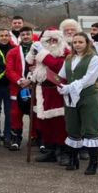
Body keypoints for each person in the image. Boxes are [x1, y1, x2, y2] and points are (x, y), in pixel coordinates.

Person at [58, 32, 98, 175]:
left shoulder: (94, 58)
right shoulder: (69, 58)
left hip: (88, 97)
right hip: (71, 98)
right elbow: (62, 76)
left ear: (87, 43)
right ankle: (73, 160)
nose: (77, 45)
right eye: (74, 42)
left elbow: (88, 79)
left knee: (90, 129)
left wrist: (69, 87)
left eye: (80, 42)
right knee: (72, 128)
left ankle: (93, 164)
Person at [27, 28, 71, 165]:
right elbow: (32, 66)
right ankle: (50, 150)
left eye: (55, 40)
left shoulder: (66, 52)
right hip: (41, 90)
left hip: (57, 90)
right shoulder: (40, 53)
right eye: (49, 40)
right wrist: (31, 75)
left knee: (60, 122)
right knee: (44, 123)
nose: (52, 43)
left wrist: (42, 53)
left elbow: (58, 67)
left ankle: (64, 151)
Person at [4, 26, 34, 151]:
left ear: (32, 35)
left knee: (36, 113)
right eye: (23, 34)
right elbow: (9, 71)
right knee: (16, 114)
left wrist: (31, 79)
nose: (26, 36)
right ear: (20, 36)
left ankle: (37, 138)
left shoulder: (39, 51)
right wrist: (21, 81)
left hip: (34, 87)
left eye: (28, 34)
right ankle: (16, 138)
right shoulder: (13, 52)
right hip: (17, 87)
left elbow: (42, 68)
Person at [0, 28, 15, 148]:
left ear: (9, 37)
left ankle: (7, 136)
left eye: (6, 35)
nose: (4, 37)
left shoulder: (14, 50)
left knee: (9, 113)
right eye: (1, 35)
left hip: (10, 86)